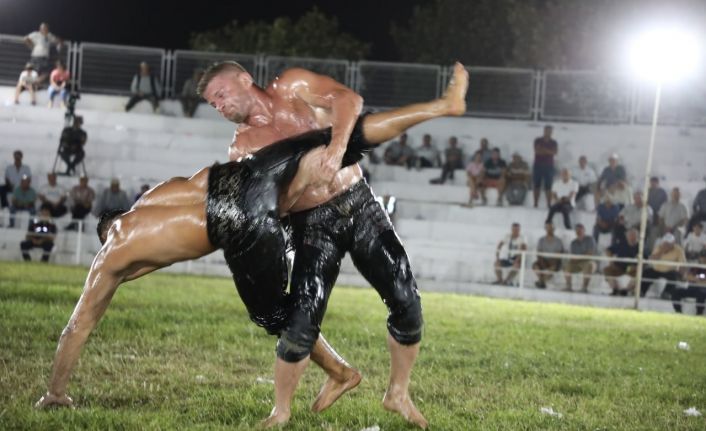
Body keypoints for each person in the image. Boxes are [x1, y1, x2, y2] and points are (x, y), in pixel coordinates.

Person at [34, 85, 468, 428]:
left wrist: (56, 390)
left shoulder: (113, 254)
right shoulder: (152, 199)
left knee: (273, 312)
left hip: (240, 225)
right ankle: (437, 107)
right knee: (337, 141)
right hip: (238, 180)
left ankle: (336, 372)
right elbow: (192, 188)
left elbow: (78, 325)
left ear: (107, 230)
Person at [197, 60, 469, 428]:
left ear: (245, 79)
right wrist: (301, 181)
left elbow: (348, 100)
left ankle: (398, 393)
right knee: (300, 320)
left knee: (406, 299)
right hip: (310, 225)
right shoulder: (242, 147)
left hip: (359, 202)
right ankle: (281, 411)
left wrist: (337, 147)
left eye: (222, 94)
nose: (221, 106)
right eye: (214, 104)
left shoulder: (292, 86)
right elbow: (271, 207)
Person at [639, 233, 685, 298]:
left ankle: (666, 294)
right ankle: (641, 291)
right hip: (657, 270)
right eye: (665, 243)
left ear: (673, 243)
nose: (667, 245)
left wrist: (682, 274)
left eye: (669, 243)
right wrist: (661, 251)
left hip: (670, 271)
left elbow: (682, 263)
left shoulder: (678, 250)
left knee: (674, 276)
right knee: (646, 273)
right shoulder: (659, 247)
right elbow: (652, 259)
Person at [604, 228, 639, 296]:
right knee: (607, 270)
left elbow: (645, 258)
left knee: (640, 273)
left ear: (637, 236)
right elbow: (608, 250)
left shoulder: (640, 247)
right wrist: (611, 260)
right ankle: (615, 289)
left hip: (633, 269)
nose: (632, 237)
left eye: (634, 235)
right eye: (630, 235)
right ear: (627, 236)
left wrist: (636, 266)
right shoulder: (621, 244)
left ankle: (626, 290)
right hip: (619, 267)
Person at [671, 249, 706, 315]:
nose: (703, 258)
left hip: (703, 290)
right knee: (676, 292)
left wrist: (695, 279)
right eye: (702, 256)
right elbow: (687, 277)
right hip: (692, 288)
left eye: (704, 257)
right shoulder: (696, 266)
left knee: (701, 294)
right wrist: (700, 279)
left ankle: (699, 313)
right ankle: (678, 312)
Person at [564, 223, 596, 293]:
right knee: (567, 266)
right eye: (577, 230)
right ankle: (568, 287)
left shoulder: (590, 239)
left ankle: (584, 288)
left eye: (580, 230)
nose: (578, 232)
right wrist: (581, 257)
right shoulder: (573, 243)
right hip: (577, 262)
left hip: (588, 262)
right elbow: (572, 257)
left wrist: (579, 257)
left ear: (584, 230)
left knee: (589, 265)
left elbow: (590, 254)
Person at [532, 222, 564, 289]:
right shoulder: (541, 240)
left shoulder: (558, 241)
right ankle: (542, 281)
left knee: (553, 267)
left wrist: (551, 262)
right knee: (535, 265)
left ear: (554, 229)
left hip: (554, 262)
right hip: (543, 261)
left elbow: (558, 255)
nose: (549, 229)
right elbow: (539, 253)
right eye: (548, 228)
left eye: (551, 228)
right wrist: (543, 263)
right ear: (545, 229)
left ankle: (541, 281)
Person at [532, 125, 558, 208]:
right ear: (544, 131)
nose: (548, 132)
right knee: (536, 185)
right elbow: (537, 151)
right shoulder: (538, 140)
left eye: (550, 131)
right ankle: (535, 203)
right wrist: (548, 151)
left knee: (549, 186)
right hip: (538, 165)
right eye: (547, 130)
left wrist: (544, 150)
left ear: (552, 132)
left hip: (549, 166)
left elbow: (554, 153)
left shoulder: (554, 142)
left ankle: (548, 204)